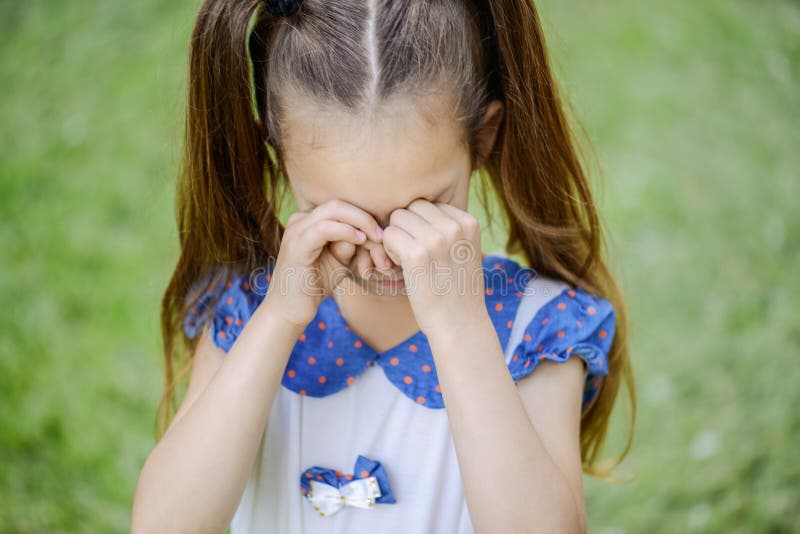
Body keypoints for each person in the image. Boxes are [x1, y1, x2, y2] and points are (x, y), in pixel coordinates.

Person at [132, 0, 635, 532]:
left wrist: (461, 330)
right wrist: (279, 319)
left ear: (483, 138)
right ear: (279, 155)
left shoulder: (536, 330)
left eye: (421, 208)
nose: (386, 251)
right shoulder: (249, 310)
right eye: (341, 215)